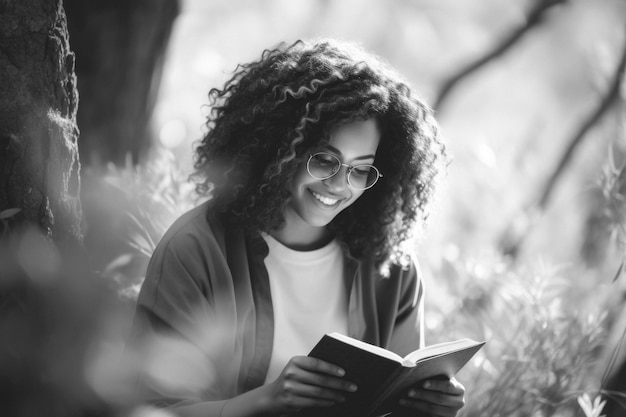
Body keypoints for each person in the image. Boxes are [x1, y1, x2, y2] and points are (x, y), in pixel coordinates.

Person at [129, 38, 465, 417]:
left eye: (359, 170)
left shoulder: (391, 268)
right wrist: (264, 401)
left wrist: (428, 407)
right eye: (324, 160)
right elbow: (153, 408)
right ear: (277, 149)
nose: (339, 185)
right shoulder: (197, 249)